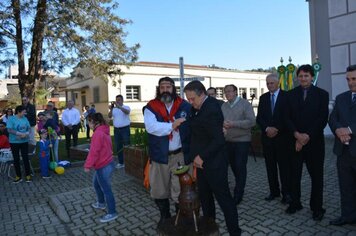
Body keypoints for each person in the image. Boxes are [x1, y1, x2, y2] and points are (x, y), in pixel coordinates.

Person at [184, 80, 241, 236]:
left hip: (214, 163)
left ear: (202, 94)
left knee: (224, 200)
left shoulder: (212, 108)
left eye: (192, 98)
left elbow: (219, 139)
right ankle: (210, 230)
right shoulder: (196, 107)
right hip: (201, 164)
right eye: (188, 99)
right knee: (206, 200)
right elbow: (196, 128)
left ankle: (235, 232)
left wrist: (201, 156)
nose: (190, 102)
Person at [143, 76, 191, 228]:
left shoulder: (184, 105)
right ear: (159, 89)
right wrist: (173, 125)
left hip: (179, 155)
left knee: (180, 189)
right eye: (162, 87)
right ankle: (165, 216)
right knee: (159, 190)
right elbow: (151, 127)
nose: (165, 90)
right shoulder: (151, 107)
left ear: (173, 88)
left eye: (168, 87)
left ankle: (179, 217)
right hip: (159, 156)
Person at [284, 64, 329, 221]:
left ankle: (317, 208)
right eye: (301, 76)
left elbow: (322, 119)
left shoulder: (322, 94)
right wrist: (297, 135)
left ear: (312, 77)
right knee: (294, 175)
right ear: (297, 77)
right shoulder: (290, 95)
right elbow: (286, 118)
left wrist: (307, 136)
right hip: (294, 142)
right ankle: (295, 203)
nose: (303, 78)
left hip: (314, 143)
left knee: (317, 177)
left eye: (306, 76)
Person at [256, 73, 292, 204]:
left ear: (278, 83)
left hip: (282, 139)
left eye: (272, 83)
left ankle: (286, 193)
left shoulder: (287, 96)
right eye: (267, 83)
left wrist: (277, 129)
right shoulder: (263, 98)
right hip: (267, 139)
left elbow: (289, 116)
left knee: (284, 168)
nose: (269, 85)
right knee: (270, 167)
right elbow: (259, 118)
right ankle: (274, 191)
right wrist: (267, 129)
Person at [328, 64, 356, 226]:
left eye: (354, 79)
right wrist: (338, 130)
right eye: (348, 79)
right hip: (343, 152)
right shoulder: (341, 98)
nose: (350, 83)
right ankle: (348, 216)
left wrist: (349, 129)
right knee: (345, 187)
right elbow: (332, 118)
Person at [221, 84, 256, 205]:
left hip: (242, 140)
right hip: (228, 141)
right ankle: (239, 183)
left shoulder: (245, 104)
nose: (227, 94)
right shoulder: (224, 106)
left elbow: (252, 121)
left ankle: (238, 193)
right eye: (225, 92)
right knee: (234, 167)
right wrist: (223, 125)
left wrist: (233, 124)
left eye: (229, 91)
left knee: (240, 166)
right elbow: (220, 120)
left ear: (236, 92)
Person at [84, 112, 118, 223]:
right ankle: (101, 203)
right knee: (96, 184)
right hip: (106, 163)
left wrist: (88, 165)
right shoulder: (103, 130)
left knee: (106, 189)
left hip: (103, 166)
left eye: (89, 121)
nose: (88, 124)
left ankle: (112, 212)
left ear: (94, 122)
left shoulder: (98, 134)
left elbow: (94, 152)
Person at [7, 105, 31, 183]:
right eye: (24, 112)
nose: (25, 113)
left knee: (25, 158)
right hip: (14, 142)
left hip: (24, 141)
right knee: (16, 159)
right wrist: (19, 134)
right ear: (19, 112)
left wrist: (26, 133)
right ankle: (18, 176)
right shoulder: (11, 119)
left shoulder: (25, 118)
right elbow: (9, 130)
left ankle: (28, 175)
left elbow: (29, 128)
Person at [108, 95, 131, 169]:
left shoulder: (126, 107)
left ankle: (129, 162)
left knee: (127, 145)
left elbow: (127, 112)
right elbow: (109, 116)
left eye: (119, 100)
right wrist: (111, 109)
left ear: (122, 100)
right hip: (117, 130)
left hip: (125, 129)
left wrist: (119, 107)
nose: (117, 101)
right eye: (116, 100)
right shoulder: (114, 109)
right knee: (118, 146)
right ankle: (121, 162)